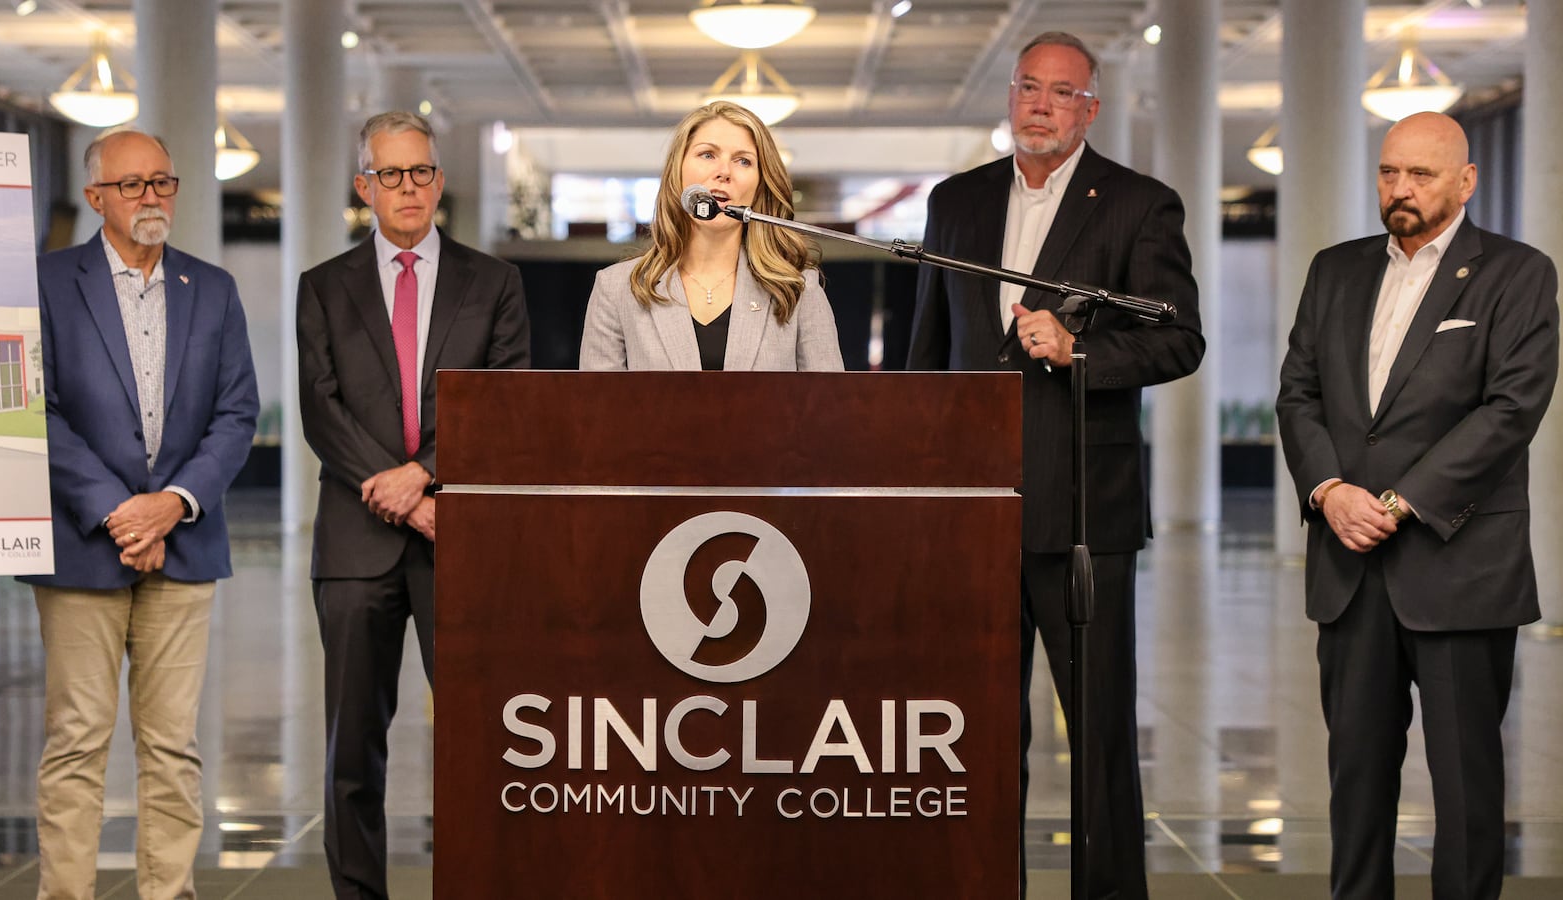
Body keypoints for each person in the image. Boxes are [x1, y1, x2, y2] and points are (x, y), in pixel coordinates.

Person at [907, 31, 1204, 900]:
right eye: (1027, 87)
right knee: (981, 728)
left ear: (1091, 109)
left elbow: (1179, 338)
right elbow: (930, 351)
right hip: (976, 511)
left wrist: (1082, 351)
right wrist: (927, 490)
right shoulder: (953, 203)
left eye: (1060, 92)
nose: (1039, 104)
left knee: (1100, 732)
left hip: (1086, 510)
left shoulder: (1140, 205)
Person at [1276, 111, 1558, 900]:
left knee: (1467, 788)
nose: (1400, 189)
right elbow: (1299, 394)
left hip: (1459, 564)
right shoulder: (1335, 270)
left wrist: (1396, 504)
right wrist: (1330, 491)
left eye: (1422, 174)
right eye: (1389, 171)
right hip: (1349, 566)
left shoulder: (1517, 272)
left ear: (1466, 181)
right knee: (1355, 779)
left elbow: (1510, 410)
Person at [296, 110, 531, 899]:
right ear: (364, 186)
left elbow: (502, 406)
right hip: (357, 546)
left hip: (458, 538)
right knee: (352, 750)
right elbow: (321, 411)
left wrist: (429, 476)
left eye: (421, 171)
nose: (409, 188)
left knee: (474, 740)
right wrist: (405, 492)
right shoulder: (322, 287)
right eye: (391, 174)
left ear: (439, 179)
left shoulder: (493, 282)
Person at [21, 128, 259, 898]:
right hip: (81, 545)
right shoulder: (46, 283)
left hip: (185, 546)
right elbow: (36, 410)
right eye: (132, 185)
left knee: (172, 746)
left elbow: (236, 414)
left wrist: (171, 506)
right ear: (96, 198)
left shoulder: (213, 288)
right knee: (77, 740)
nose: (151, 197)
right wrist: (121, 512)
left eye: (162, 182)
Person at [578, 100, 843, 371]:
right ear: (677, 171)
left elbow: (830, 406)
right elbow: (596, 409)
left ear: (760, 184)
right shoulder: (615, 288)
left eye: (743, 161)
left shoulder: (798, 288)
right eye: (707, 155)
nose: (724, 172)